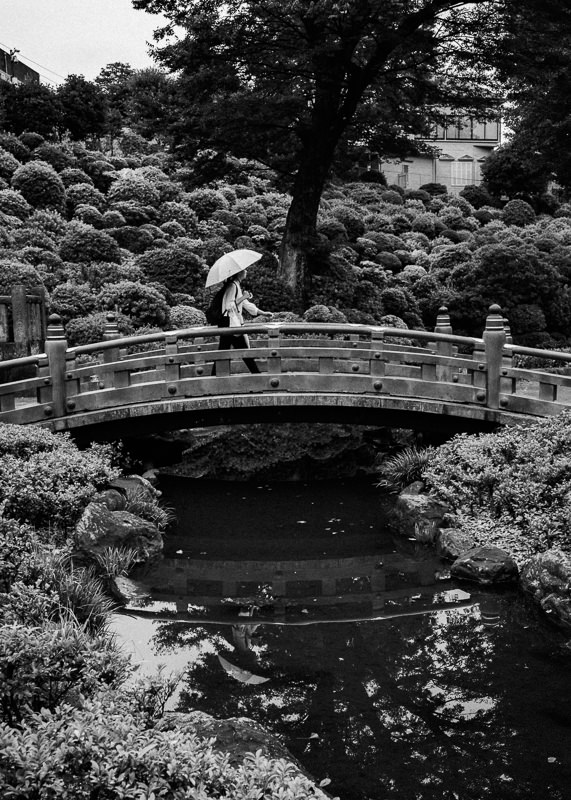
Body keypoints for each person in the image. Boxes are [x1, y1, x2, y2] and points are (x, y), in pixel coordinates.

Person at [212, 269, 273, 375]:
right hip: (231, 325)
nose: (246, 271)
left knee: (223, 353)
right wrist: (244, 296)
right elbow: (229, 305)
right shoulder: (232, 286)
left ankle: (211, 380)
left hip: (232, 325)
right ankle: (257, 376)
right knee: (243, 353)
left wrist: (263, 313)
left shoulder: (236, 286)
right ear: (239, 273)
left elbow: (246, 305)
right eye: (244, 270)